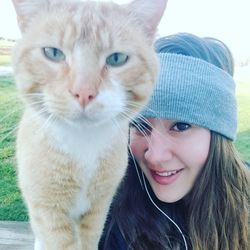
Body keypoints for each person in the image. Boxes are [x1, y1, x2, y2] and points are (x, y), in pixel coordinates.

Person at [98, 33, 250, 250]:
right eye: (141, 126)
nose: (154, 156)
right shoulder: (117, 226)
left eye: (181, 126)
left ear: (220, 132)